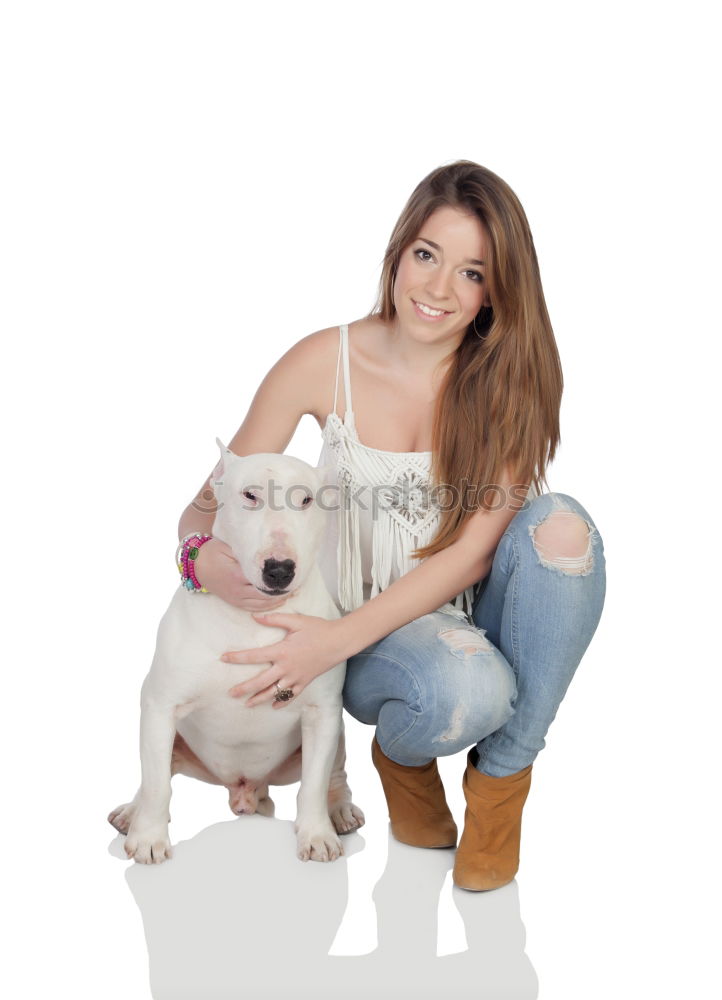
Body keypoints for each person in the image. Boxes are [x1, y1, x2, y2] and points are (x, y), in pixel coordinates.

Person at [178, 160, 607, 891]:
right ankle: (407, 759)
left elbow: (475, 557)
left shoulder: (510, 382)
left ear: (497, 291)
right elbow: (208, 504)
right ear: (399, 252)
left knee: (563, 529)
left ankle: (503, 780)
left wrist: (325, 646)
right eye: (427, 256)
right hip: (362, 632)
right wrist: (201, 559)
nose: (439, 290)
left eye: (472, 273)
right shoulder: (324, 360)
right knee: (466, 692)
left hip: (464, 612)